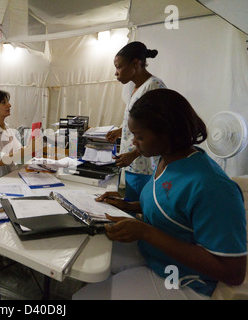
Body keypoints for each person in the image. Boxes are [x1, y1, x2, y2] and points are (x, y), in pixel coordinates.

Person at [73, 89, 246, 300]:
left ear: (168, 133)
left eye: (140, 137)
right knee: (88, 257)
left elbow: (233, 272)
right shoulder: (167, 159)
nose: (134, 143)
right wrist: (129, 206)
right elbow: (171, 206)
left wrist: (146, 233)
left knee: (84, 297)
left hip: (184, 280)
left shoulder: (213, 187)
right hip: (156, 254)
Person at [106, 41, 166, 201]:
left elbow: (157, 131)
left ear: (135, 63)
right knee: (129, 204)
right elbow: (142, 122)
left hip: (143, 164)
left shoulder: (153, 87)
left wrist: (133, 154)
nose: (116, 73)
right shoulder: (137, 87)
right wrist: (121, 130)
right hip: (132, 162)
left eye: (119, 67)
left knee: (137, 209)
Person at [0, 89, 40, 184]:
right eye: (4, 103)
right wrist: (28, 150)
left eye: (8, 102)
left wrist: (30, 146)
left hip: (8, 176)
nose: (9, 105)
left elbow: (18, 150)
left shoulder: (6, 127)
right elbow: (0, 160)